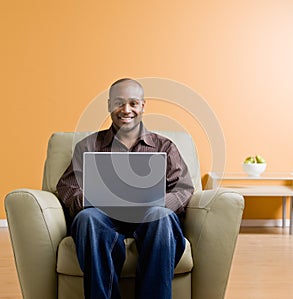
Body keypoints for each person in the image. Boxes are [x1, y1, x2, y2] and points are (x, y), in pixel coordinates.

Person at [56, 78, 194, 299]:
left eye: (133, 103)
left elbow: (184, 188)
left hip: (150, 217)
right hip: (104, 217)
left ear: (143, 105)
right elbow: (66, 186)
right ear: (109, 105)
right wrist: (92, 199)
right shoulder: (88, 146)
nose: (126, 110)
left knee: (161, 216)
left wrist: (158, 202)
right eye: (119, 103)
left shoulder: (164, 146)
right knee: (87, 218)